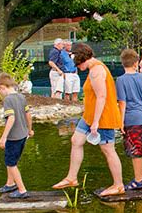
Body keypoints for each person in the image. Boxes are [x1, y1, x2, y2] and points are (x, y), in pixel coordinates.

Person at [53, 43, 124, 197]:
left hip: (102, 116)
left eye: (76, 63)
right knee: (76, 141)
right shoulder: (93, 68)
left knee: (108, 150)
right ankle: (71, 178)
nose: (77, 67)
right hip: (89, 115)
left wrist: (97, 122)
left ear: (81, 58)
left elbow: (102, 97)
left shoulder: (96, 71)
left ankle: (118, 185)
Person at [115, 49, 142, 191]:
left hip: (131, 119)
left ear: (123, 63)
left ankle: (137, 180)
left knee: (135, 150)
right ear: (136, 63)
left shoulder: (120, 80)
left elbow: (122, 103)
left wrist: (120, 122)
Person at [0, 72, 33, 199]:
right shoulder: (21, 97)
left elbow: (11, 118)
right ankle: (10, 183)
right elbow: (28, 114)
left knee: (11, 164)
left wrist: (3, 137)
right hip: (22, 135)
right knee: (10, 159)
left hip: (13, 137)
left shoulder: (8, 100)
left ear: (2, 87)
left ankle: (22, 190)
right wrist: (30, 129)